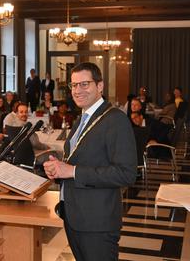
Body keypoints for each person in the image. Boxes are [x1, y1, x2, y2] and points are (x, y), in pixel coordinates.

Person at [43, 62, 137, 261]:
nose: (78, 90)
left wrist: (72, 171)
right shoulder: (83, 117)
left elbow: (126, 173)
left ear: (100, 86)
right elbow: (82, 159)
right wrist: (58, 169)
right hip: (75, 216)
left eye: (84, 84)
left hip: (97, 222)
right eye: (74, 85)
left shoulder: (115, 119)